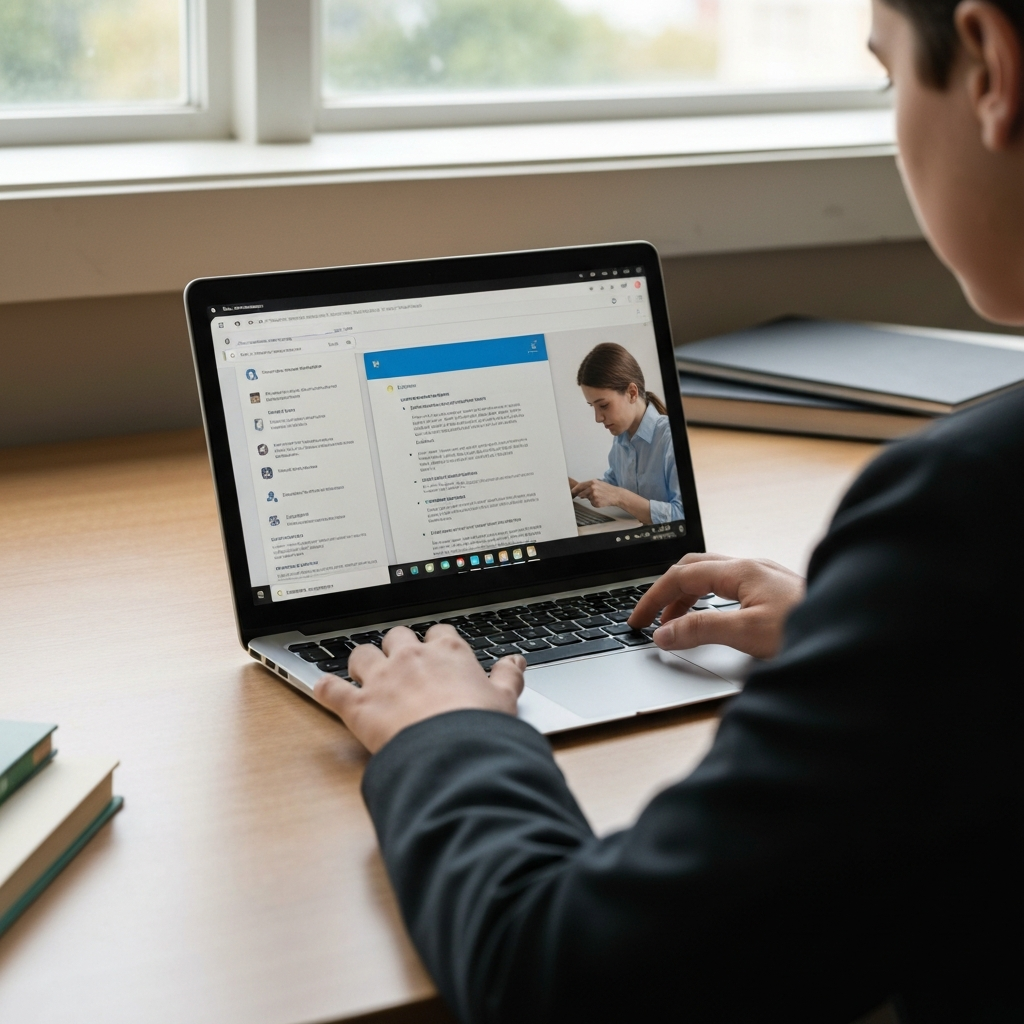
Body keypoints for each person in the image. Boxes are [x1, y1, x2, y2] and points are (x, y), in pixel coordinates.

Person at [313, 0, 1024, 1019]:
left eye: (889, 78)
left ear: (990, 66)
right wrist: (863, 637)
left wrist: (444, 733)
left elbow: (569, 981)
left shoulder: (968, 515)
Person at [567, 343, 684, 525]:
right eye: (593, 407)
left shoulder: (670, 437)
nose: (598, 418)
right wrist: (576, 487)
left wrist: (620, 496)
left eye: (604, 405)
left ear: (631, 393)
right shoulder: (621, 440)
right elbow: (611, 486)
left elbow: (683, 515)